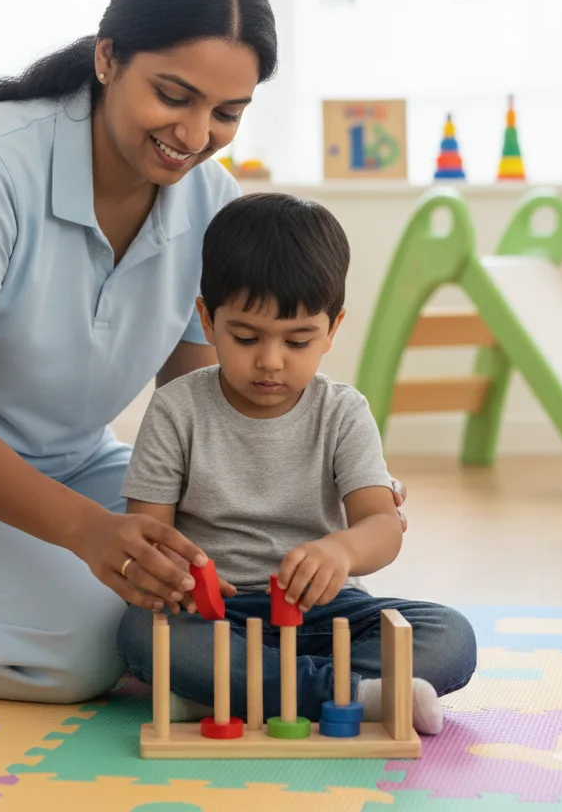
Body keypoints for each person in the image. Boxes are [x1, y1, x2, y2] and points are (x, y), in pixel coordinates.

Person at [0, 0, 407, 705]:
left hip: (76, 466)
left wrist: (331, 481)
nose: (195, 134)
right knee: (84, 649)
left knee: (232, 588)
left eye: (226, 113)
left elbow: (211, 407)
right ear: (109, 58)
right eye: (174, 96)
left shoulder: (211, 203)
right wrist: (88, 533)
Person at [117, 193, 476, 734]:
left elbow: (383, 525)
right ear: (207, 320)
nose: (270, 361)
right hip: (220, 617)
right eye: (245, 337)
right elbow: (149, 536)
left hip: (329, 614)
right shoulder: (176, 409)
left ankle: (227, 691)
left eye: (299, 340)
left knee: (451, 635)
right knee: (140, 632)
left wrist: (341, 551)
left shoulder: (343, 412)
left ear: (332, 329)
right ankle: (353, 694)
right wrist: (175, 577)